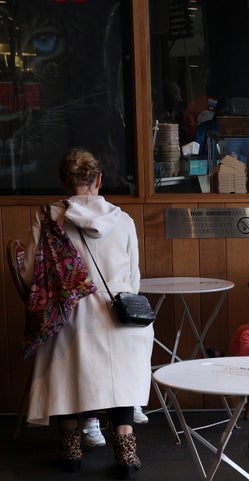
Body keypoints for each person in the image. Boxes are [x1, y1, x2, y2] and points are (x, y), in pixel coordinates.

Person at [21, 148, 152, 478]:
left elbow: (31, 274)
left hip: (70, 317)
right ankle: (127, 454)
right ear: (99, 179)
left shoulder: (48, 218)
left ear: (62, 181)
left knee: (65, 372)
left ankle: (70, 450)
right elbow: (134, 278)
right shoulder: (123, 219)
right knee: (119, 377)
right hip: (121, 318)